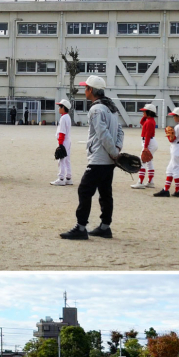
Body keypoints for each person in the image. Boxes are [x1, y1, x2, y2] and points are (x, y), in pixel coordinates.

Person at [60, 75, 124, 240]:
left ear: (91, 90)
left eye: (86, 88)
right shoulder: (111, 108)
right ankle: (105, 226)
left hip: (99, 158)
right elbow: (120, 132)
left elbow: (103, 133)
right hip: (109, 159)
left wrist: (113, 152)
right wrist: (116, 150)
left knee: (84, 190)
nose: (84, 90)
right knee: (105, 192)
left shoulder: (96, 109)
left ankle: (81, 228)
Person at [131, 104, 158, 189]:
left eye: (144, 111)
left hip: (148, 142)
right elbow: (141, 122)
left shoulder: (149, 121)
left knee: (142, 161)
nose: (143, 112)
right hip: (150, 142)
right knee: (149, 162)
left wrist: (145, 147)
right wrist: (146, 115)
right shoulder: (150, 120)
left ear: (149, 112)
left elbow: (148, 135)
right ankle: (150, 182)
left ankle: (140, 182)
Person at [51, 99, 73, 186]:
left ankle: (61, 178)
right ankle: (68, 178)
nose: (58, 108)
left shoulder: (63, 118)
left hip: (63, 141)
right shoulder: (67, 117)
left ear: (63, 107)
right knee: (67, 159)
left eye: (60, 106)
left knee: (61, 159)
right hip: (67, 140)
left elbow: (62, 132)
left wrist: (60, 144)